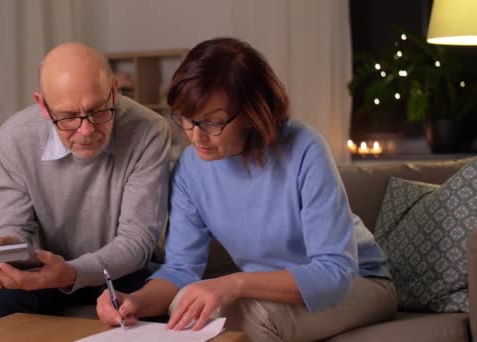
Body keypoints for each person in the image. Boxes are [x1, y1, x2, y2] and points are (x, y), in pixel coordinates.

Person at [96, 38, 396, 341]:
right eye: (185, 119)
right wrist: (135, 301)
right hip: (270, 293)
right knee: (182, 306)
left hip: (360, 281)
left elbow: (335, 273)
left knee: (253, 317)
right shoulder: (190, 168)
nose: (196, 136)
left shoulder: (305, 148)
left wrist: (234, 284)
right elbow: (181, 269)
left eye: (212, 123)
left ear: (252, 112)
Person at [0, 43, 171, 320]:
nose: (86, 130)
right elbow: (15, 227)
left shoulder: (149, 131)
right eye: (68, 116)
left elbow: (138, 241)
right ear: (43, 105)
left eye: (99, 111)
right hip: (46, 271)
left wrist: (72, 273)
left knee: (153, 294)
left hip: (124, 271)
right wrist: (2, 249)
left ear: (114, 91)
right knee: (2, 294)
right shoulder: (13, 138)